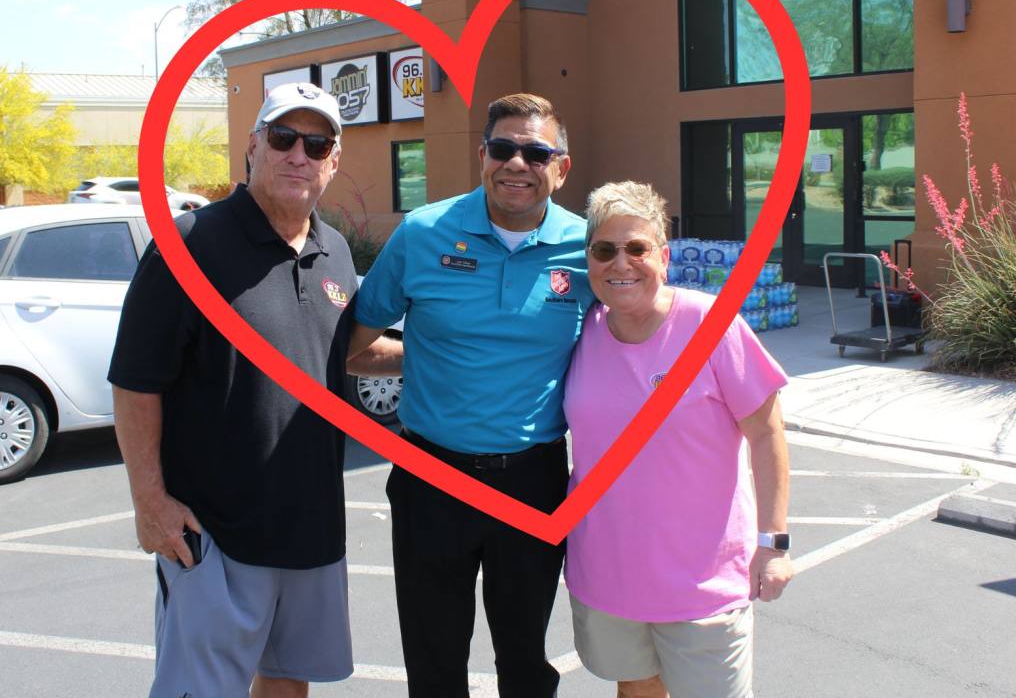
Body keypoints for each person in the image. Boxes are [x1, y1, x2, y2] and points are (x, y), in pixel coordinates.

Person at [108, 82, 400, 698]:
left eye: (316, 143)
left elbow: (345, 351)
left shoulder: (335, 251)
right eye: (284, 137)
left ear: (334, 160)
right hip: (214, 532)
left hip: (311, 526)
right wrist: (149, 501)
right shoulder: (190, 244)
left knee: (289, 685)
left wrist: (447, 357)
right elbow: (136, 383)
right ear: (253, 146)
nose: (300, 154)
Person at [348, 93, 596, 697]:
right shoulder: (424, 232)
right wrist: (431, 357)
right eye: (505, 148)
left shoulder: (590, 248)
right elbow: (353, 347)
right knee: (433, 659)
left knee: (525, 659)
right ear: (482, 155)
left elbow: (637, 337)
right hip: (430, 477)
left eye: (536, 152)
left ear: (561, 168)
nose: (518, 163)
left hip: (533, 482)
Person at [563, 181, 795, 698]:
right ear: (590, 261)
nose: (620, 263)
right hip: (607, 575)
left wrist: (773, 544)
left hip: (703, 586)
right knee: (637, 690)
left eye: (637, 248)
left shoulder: (712, 326)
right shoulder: (584, 330)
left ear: (663, 257)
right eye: (605, 250)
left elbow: (767, 434)